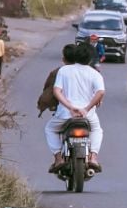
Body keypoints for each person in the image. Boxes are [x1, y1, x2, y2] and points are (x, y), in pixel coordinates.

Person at [45, 43, 105, 173]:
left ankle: (59, 158)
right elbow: (100, 92)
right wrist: (87, 109)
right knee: (96, 130)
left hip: (65, 115)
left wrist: (70, 107)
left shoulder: (64, 70)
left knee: (50, 129)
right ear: (90, 58)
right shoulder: (95, 74)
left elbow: (56, 91)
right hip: (87, 116)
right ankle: (93, 158)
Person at [37, 43, 77, 117]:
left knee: (49, 128)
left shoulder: (58, 72)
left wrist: (42, 105)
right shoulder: (89, 72)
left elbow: (48, 91)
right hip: (85, 113)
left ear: (64, 59)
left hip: (64, 113)